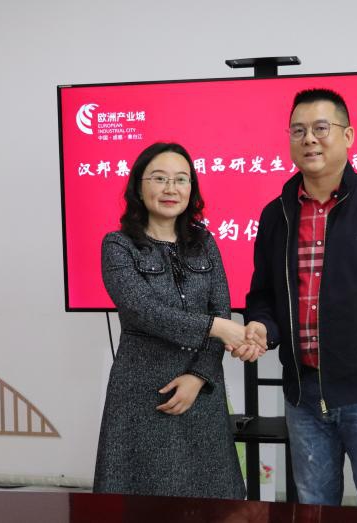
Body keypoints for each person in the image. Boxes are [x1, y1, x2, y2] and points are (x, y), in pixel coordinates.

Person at [235, 89, 357, 523]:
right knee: (313, 513)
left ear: (348, 136)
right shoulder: (276, 215)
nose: (309, 139)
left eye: (321, 128)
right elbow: (263, 295)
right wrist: (261, 326)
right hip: (303, 396)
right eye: (298, 130)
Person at [93, 142, 260, 499]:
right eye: (159, 178)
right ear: (139, 187)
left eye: (181, 179)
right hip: (143, 394)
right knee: (144, 502)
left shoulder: (204, 242)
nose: (171, 188)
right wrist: (215, 328)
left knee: (213, 502)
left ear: (191, 189)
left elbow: (221, 309)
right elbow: (142, 310)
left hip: (202, 392)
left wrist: (199, 376)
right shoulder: (118, 246)